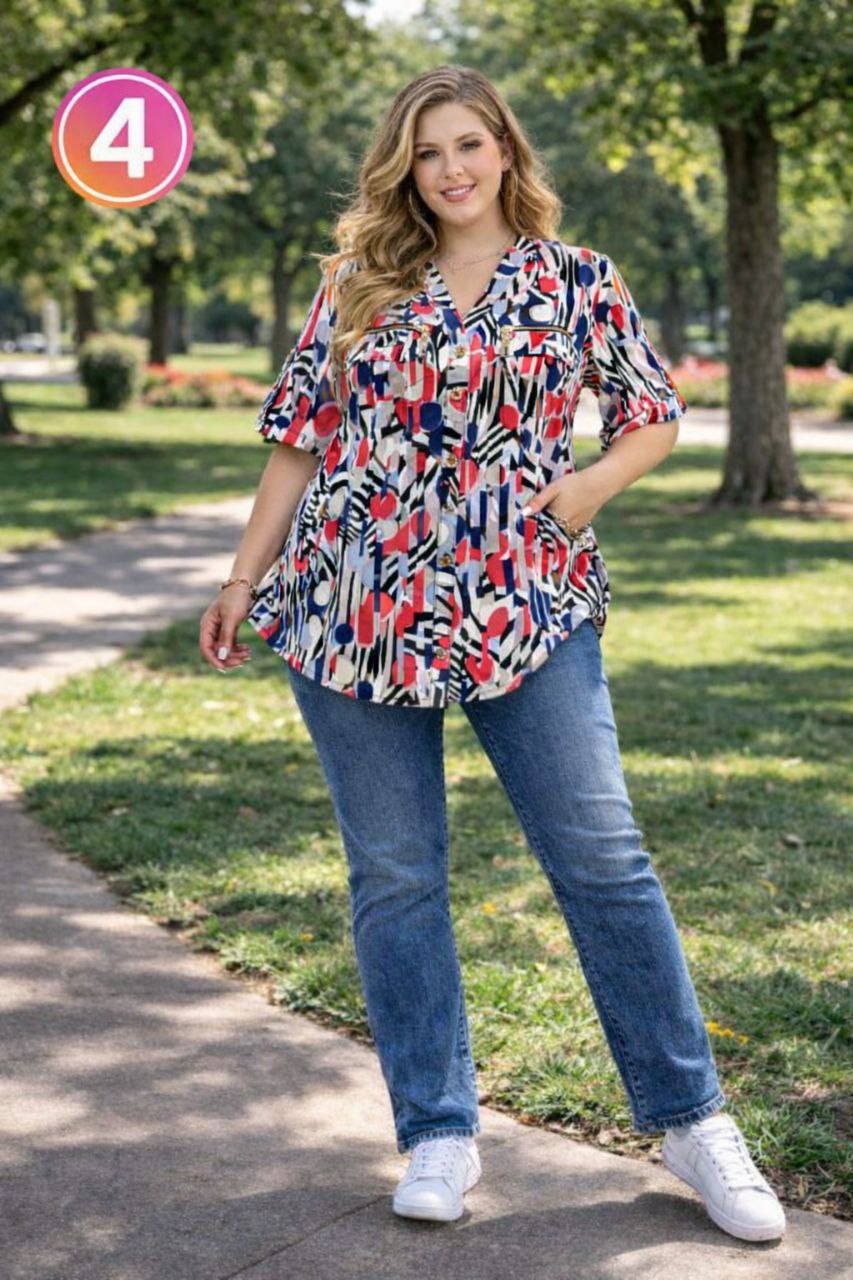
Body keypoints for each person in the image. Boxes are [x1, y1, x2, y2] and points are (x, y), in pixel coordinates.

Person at [199, 65, 786, 1242]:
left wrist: (589, 488)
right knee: (396, 875)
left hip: (526, 602)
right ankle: (437, 1128)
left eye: (468, 144)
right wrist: (241, 577)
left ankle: (691, 1118)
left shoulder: (576, 279)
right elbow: (300, 439)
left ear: (505, 149)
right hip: (353, 603)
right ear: (404, 169)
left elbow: (653, 414)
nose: (451, 169)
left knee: (603, 858)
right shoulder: (357, 282)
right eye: (427, 152)